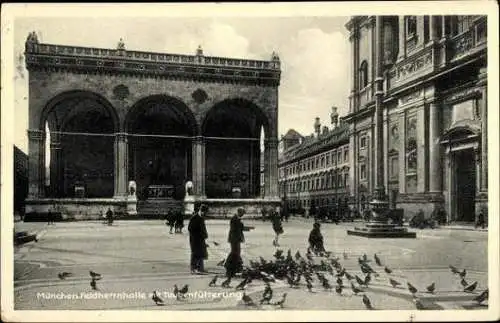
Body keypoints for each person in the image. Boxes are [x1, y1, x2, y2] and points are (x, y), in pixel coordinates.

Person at [188, 204, 208, 274]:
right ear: (201, 211)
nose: (205, 214)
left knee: (201, 253)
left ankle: (200, 268)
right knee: (195, 254)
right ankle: (193, 268)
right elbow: (190, 229)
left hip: (201, 239)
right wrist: (199, 235)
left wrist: (205, 235)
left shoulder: (201, 218)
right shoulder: (194, 218)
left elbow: (203, 228)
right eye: (205, 212)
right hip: (195, 240)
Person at [225, 208, 245, 278]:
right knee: (235, 252)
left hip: (235, 239)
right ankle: (229, 265)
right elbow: (234, 229)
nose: (242, 215)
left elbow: (239, 228)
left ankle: (235, 267)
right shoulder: (234, 219)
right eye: (242, 214)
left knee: (236, 252)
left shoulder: (236, 218)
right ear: (239, 213)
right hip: (234, 239)